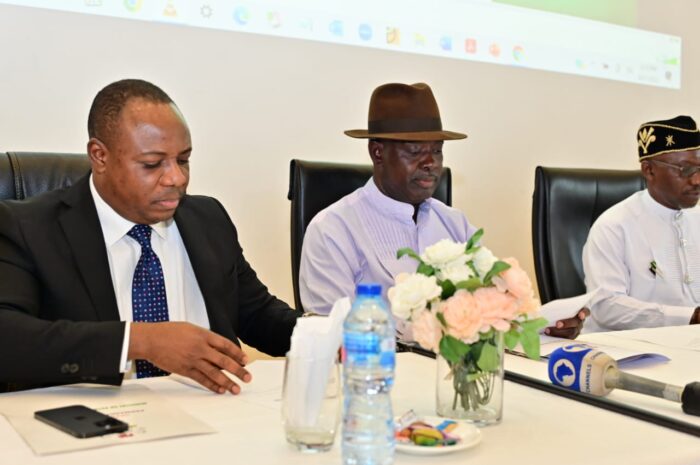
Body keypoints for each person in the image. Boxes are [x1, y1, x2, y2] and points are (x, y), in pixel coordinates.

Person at [0, 79, 302, 393]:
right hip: (96, 422)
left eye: (183, 159)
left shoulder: (207, 218)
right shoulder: (28, 227)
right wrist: (141, 341)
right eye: (152, 164)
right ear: (100, 156)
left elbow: (256, 313)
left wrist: (330, 336)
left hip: (214, 416)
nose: (177, 178)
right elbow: (7, 338)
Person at [298, 82, 584, 338]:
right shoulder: (332, 229)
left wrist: (542, 326)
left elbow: (496, 304)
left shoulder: (454, 223)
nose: (430, 163)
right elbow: (332, 334)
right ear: (377, 152)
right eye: (415, 151)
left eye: (436, 151)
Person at [583, 115, 700, 331]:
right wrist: (688, 316)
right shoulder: (614, 226)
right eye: (685, 170)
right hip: (633, 353)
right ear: (649, 170)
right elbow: (607, 307)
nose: (697, 180)